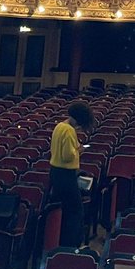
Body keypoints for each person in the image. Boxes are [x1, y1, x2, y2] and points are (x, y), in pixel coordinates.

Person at [49, 101, 94, 248]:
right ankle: (72, 244)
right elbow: (68, 156)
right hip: (66, 174)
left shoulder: (58, 127)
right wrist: (79, 150)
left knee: (62, 210)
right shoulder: (69, 131)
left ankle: (60, 241)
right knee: (75, 211)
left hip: (55, 172)